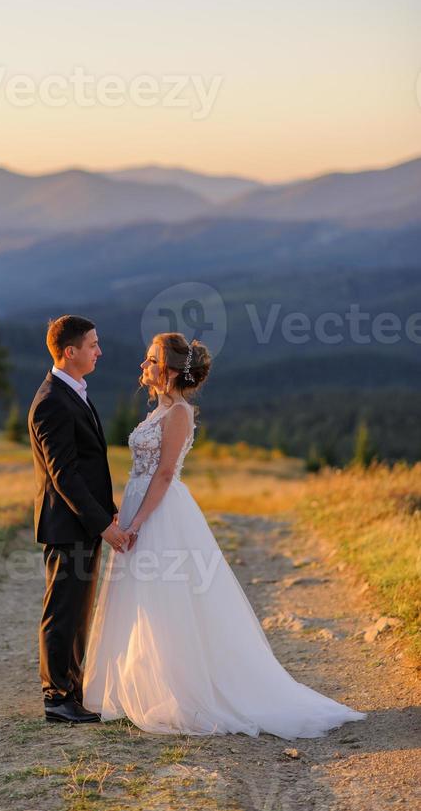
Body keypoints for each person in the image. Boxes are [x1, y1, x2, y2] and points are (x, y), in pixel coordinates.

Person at [82, 332, 367, 739]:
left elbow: (164, 475)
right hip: (136, 505)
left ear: (170, 369)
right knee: (142, 598)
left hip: (159, 513)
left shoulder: (179, 412)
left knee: (169, 597)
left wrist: (136, 523)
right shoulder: (159, 409)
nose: (143, 366)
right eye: (145, 359)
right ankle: (145, 683)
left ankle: (183, 691)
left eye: (151, 359)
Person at [28, 314, 130, 724]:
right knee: (64, 610)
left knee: (79, 609)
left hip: (83, 522)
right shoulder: (52, 401)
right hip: (68, 523)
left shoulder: (72, 391)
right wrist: (103, 524)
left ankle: (72, 688)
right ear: (70, 352)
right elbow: (63, 475)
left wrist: (107, 511)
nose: (99, 351)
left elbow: (88, 464)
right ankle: (56, 698)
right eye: (92, 345)